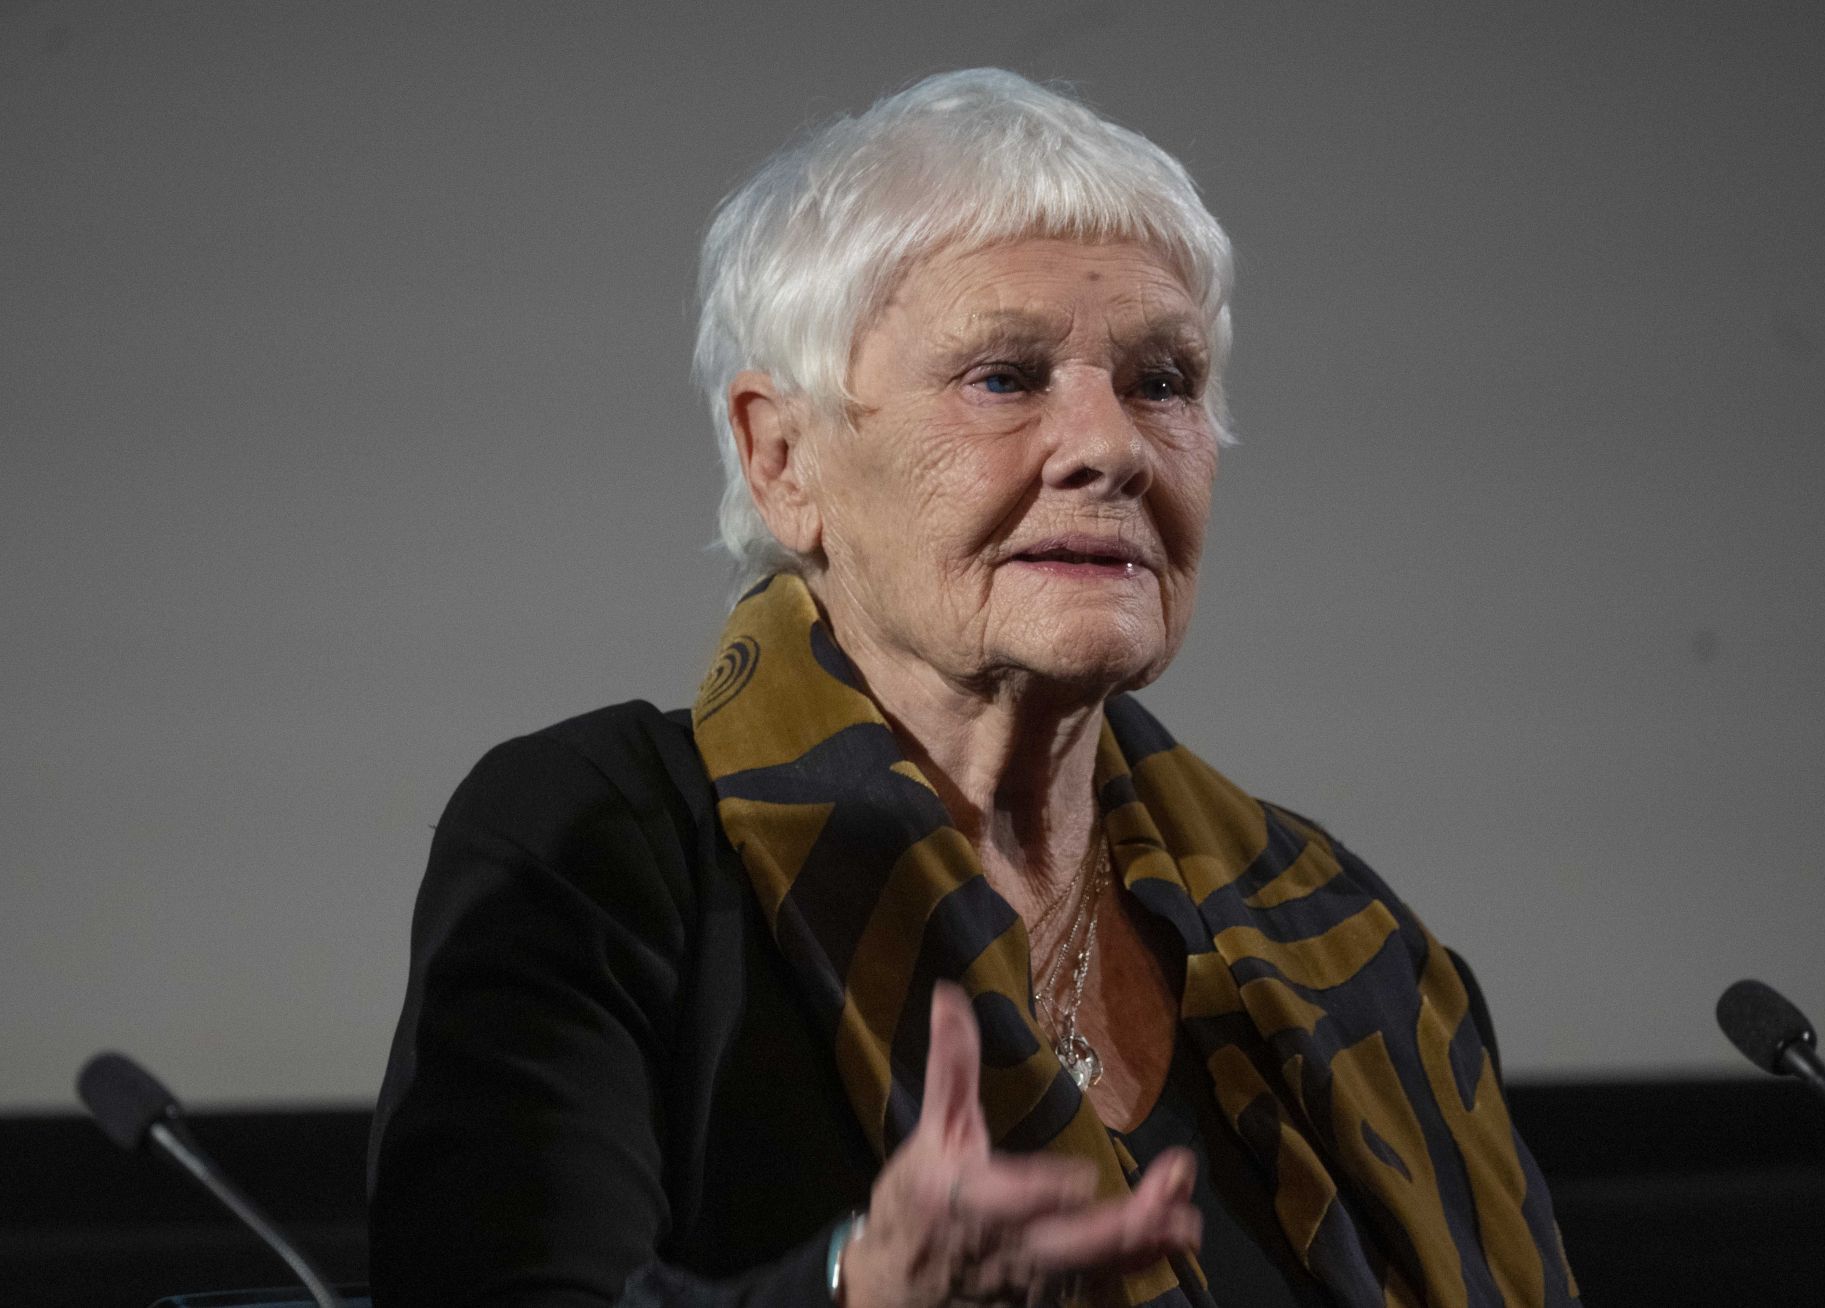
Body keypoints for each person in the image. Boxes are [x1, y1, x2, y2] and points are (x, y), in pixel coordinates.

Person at [368, 68, 1579, 1308]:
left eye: (1162, 381)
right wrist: (857, 1294)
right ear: (781, 459)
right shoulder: (606, 851)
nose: (1108, 447)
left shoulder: (1353, 947)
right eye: (1004, 376)